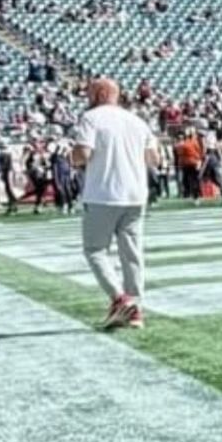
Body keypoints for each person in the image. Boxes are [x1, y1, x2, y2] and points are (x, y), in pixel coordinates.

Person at [69, 77, 161, 331]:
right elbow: (154, 159)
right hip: (135, 194)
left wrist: (72, 155)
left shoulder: (92, 118)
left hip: (103, 193)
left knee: (95, 250)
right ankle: (135, 309)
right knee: (132, 253)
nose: (87, 97)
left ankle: (120, 299)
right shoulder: (137, 121)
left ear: (100, 94)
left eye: (90, 92)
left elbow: (82, 155)